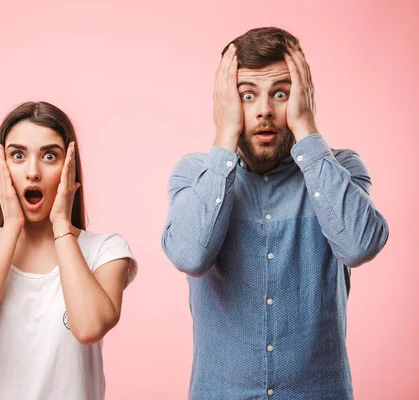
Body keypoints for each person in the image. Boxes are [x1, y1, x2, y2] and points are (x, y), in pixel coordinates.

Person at [161, 27, 389, 399]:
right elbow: (189, 255)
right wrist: (224, 136)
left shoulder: (340, 168)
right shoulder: (196, 174)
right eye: (246, 96)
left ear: (303, 96)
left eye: (280, 94)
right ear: (224, 103)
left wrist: (306, 128)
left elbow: (360, 247)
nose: (264, 110)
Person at [0, 101, 137, 400]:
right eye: (18, 155)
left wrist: (61, 224)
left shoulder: (105, 250)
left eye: (49, 156)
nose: (33, 172)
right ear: (1, 166)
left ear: (69, 167)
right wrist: (12, 226)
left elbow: (88, 327)